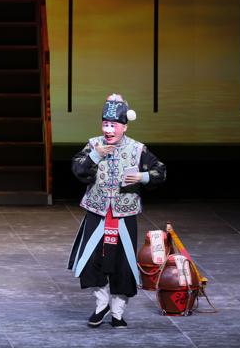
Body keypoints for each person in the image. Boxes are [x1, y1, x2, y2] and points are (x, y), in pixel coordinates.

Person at [68, 93, 166, 329]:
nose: (108, 130)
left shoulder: (137, 149)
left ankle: (118, 312)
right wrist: (95, 155)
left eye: (113, 125)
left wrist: (142, 176)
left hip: (124, 214)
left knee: (123, 264)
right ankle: (101, 305)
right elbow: (77, 168)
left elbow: (160, 171)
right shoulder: (94, 145)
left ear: (125, 126)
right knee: (93, 261)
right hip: (97, 212)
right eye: (105, 124)